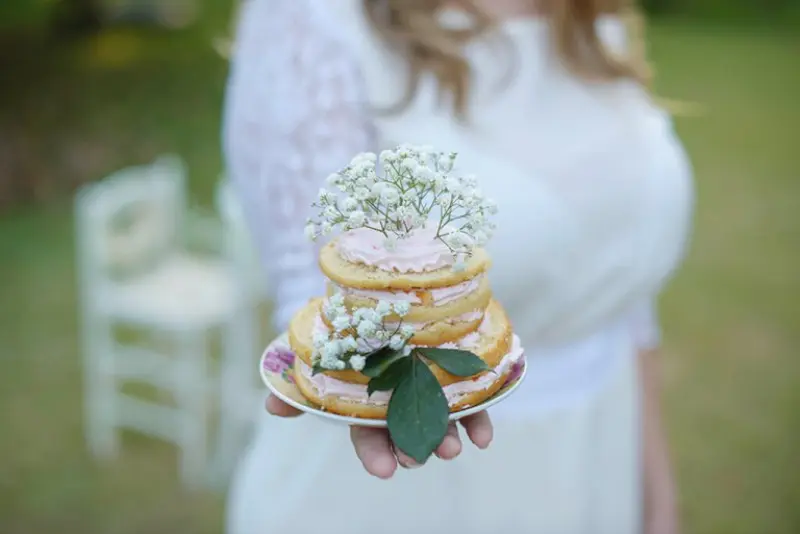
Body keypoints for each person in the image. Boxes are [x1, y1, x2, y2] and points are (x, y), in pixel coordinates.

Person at [222, 0, 693, 532]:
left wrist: (658, 496)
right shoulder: (308, 18)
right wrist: (363, 380)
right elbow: (317, 298)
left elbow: (624, 303)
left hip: (599, 462)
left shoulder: (588, 16)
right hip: (402, 488)